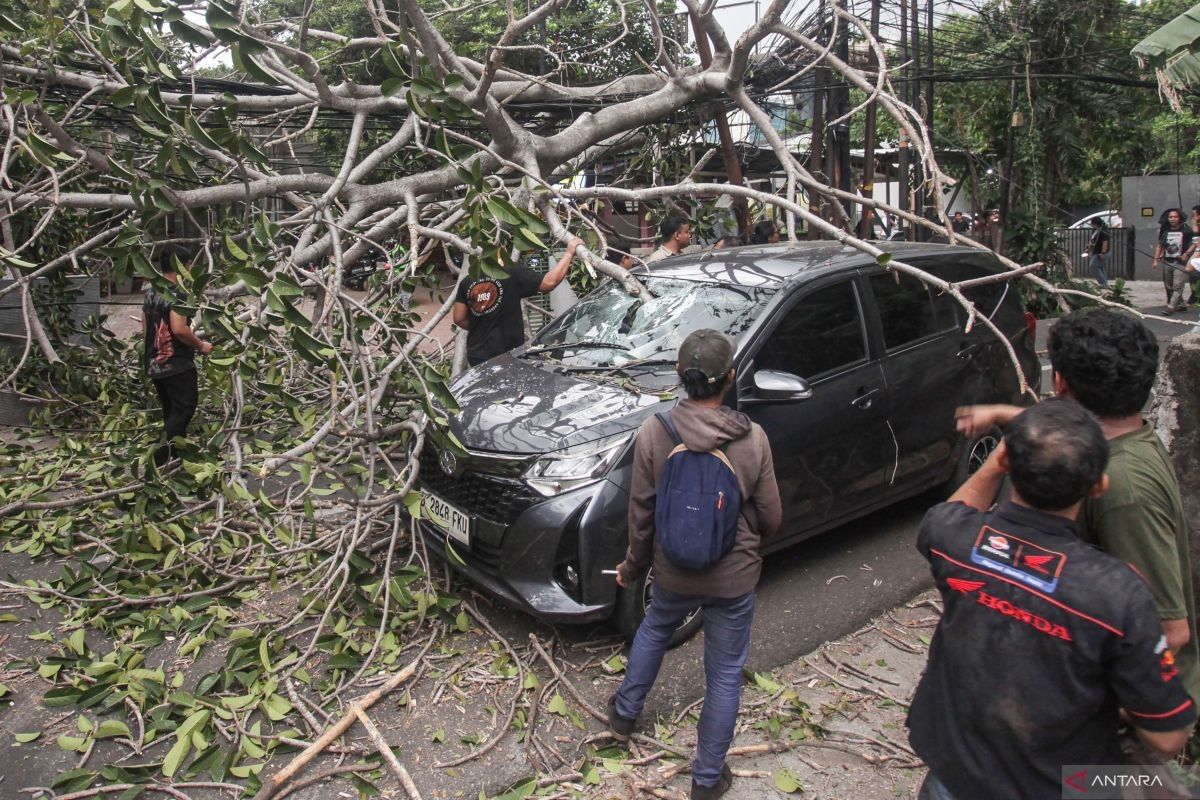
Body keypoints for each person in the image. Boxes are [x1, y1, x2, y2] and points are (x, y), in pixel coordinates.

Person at [907, 399, 1196, 800]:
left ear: (1007, 463)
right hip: (1064, 787)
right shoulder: (1117, 594)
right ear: (1099, 486)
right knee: (1174, 786)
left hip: (954, 781)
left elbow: (954, 508)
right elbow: (1167, 737)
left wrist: (1000, 457)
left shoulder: (952, 540)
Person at [955, 309, 1200, 708]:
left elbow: (1170, 631)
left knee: (1083, 778)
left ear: (1060, 382)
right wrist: (1009, 417)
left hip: (1123, 735)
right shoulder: (1120, 441)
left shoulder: (1123, 489)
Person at [609, 329, 781, 800]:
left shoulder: (655, 431)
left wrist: (631, 566)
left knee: (655, 627)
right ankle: (706, 780)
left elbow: (640, 515)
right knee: (724, 673)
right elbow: (772, 517)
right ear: (730, 378)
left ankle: (623, 717)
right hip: (734, 578)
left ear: (680, 378)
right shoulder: (753, 439)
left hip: (671, 570)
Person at [452, 237, 581, 366]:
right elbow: (549, 282)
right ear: (501, 248)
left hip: (477, 355)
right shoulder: (511, 272)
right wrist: (569, 253)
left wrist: (482, 325)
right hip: (507, 354)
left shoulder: (468, 280)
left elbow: (458, 318)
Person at [143, 246, 213, 467]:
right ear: (182, 265)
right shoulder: (179, 293)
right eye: (188, 265)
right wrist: (201, 345)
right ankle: (159, 457)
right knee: (185, 408)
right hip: (176, 364)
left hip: (155, 363)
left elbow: (146, 330)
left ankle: (173, 459)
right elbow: (179, 329)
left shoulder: (152, 292)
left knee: (171, 411)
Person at [1152, 207, 1195, 313]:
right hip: (1168, 261)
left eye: (1175, 217)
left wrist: (1187, 254)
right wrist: (1156, 260)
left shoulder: (1187, 230)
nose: (1172, 219)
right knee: (1169, 286)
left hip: (1182, 263)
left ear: (1180, 218)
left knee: (1177, 286)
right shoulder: (1165, 231)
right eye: (1170, 217)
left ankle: (1170, 307)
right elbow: (1160, 245)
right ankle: (1181, 304)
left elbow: (1195, 243)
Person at [1087, 216, 1111, 289]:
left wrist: (1103, 252)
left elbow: (1105, 242)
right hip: (1096, 251)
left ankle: (1103, 282)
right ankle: (1105, 283)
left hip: (1101, 252)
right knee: (1101, 267)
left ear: (1096, 223)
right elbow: (1092, 241)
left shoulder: (1103, 231)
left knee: (1093, 266)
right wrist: (1088, 249)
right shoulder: (1095, 231)